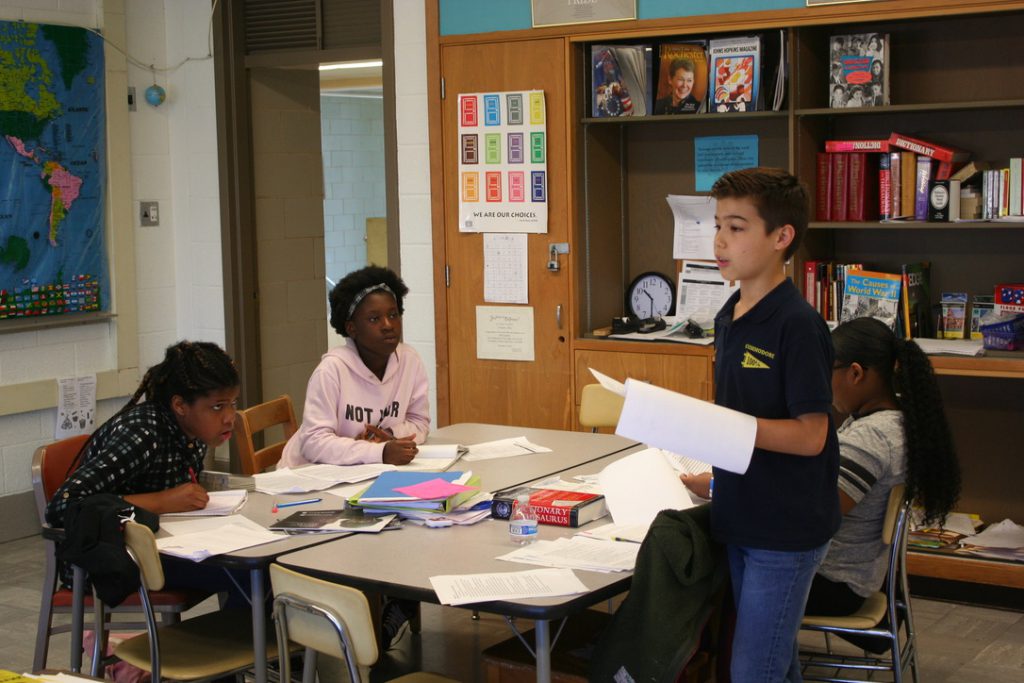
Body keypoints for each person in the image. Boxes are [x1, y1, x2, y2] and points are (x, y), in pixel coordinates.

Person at [680, 168, 840, 682]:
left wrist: (726, 426)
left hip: (785, 529)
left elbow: (811, 434)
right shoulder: (731, 314)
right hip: (742, 512)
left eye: (737, 227)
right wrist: (718, 475)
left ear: (781, 237)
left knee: (753, 671)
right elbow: (741, 426)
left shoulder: (796, 323)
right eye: (717, 226)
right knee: (774, 661)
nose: (720, 241)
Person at [46, 341, 250, 605]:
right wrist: (161, 501)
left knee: (258, 562)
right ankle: (246, 644)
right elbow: (63, 506)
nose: (229, 417)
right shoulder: (143, 434)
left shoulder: (193, 432)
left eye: (233, 404)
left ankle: (250, 642)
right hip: (110, 559)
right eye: (217, 407)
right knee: (249, 572)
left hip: (164, 543)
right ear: (180, 405)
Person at [804, 317, 960, 619]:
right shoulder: (892, 420)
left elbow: (817, 511)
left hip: (833, 582)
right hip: (855, 575)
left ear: (855, 373)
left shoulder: (872, 437)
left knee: (727, 570)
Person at [281, 265, 430, 468]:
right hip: (308, 477)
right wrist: (378, 452)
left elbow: (419, 423)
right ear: (352, 328)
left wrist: (389, 436)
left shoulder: (409, 361)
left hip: (363, 471)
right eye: (374, 319)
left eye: (393, 315)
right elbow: (313, 443)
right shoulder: (331, 371)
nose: (388, 325)